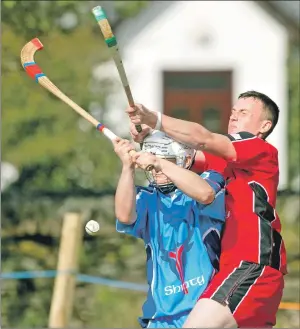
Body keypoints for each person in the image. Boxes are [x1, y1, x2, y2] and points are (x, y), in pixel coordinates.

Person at [126, 90, 287, 328]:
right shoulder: (223, 161)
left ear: (265, 125)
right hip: (234, 271)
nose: (234, 117)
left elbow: (202, 138)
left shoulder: (259, 149)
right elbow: (180, 155)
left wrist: (153, 118)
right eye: (233, 112)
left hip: (252, 266)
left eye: (243, 113)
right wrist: (151, 137)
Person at [113, 130, 226, 328]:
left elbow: (205, 194)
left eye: (168, 160)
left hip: (206, 311)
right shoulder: (146, 197)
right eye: (154, 163)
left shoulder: (209, 179)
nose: (157, 170)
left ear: (186, 158)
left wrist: (158, 161)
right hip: (160, 315)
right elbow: (124, 215)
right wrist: (127, 167)